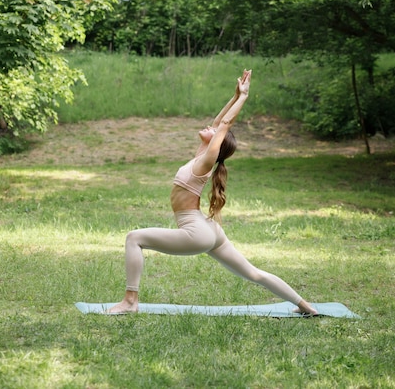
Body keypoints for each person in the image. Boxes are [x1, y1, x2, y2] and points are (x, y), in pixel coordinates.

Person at [106, 70, 318, 316]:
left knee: (134, 237)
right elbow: (220, 123)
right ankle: (306, 307)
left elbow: (225, 125)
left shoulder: (206, 161)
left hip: (196, 232)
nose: (210, 125)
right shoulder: (202, 155)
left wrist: (244, 98)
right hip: (208, 230)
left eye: (214, 131)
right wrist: (235, 94)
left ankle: (130, 301)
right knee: (253, 273)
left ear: (218, 142)